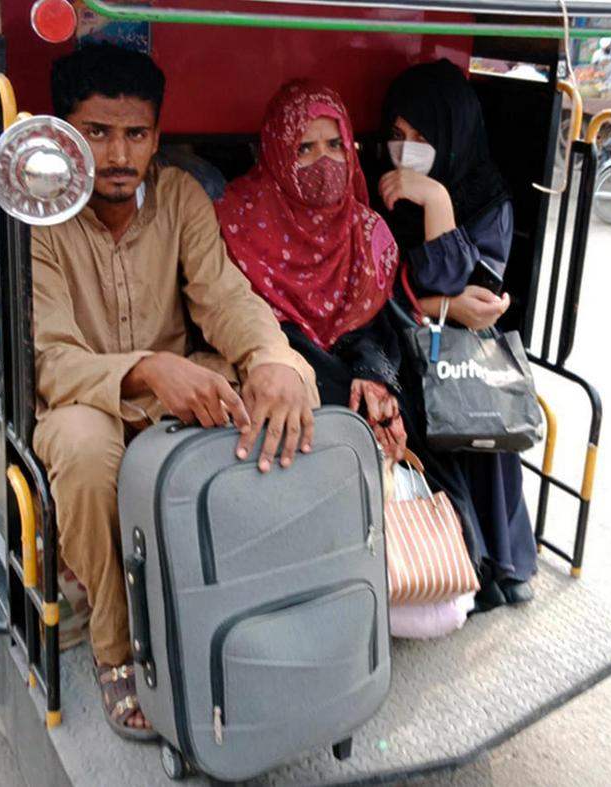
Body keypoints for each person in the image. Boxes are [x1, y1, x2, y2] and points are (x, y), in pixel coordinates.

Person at [31, 45, 319, 740]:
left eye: (136, 133)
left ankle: (249, 617)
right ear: (65, 134)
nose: (118, 153)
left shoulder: (181, 197)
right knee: (85, 442)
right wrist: (148, 369)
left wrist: (271, 356)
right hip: (86, 403)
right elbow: (51, 357)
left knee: (282, 386)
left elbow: (223, 296)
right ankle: (115, 647)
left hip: (173, 387)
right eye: (97, 132)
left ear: (158, 137)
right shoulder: (39, 215)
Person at [376, 59, 537, 610]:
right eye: (398, 135)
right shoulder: (377, 195)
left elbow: (480, 300)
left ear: (453, 135)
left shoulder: (488, 198)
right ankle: (453, 565)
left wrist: (437, 200)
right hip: (395, 343)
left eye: (423, 137)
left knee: (480, 422)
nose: (406, 151)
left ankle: (503, 562)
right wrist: (443, 305)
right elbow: (379, 296)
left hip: (460, 354)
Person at [215, 80, 407, 462]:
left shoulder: (368, 233)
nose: (325, 161)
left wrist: (376, 377)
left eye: (335, 145)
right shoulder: (234, 222)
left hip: (355, 393)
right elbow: (229, 317)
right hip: (272, 388)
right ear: (276, 153)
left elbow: (379, 330)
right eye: (305, 148)